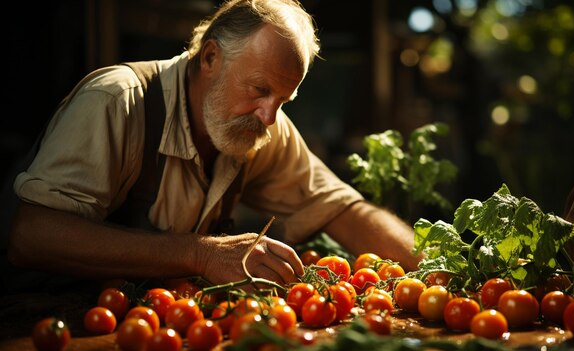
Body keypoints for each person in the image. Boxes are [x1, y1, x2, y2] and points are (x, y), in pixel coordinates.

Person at [2, 0, 422, 295]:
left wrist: (434, 270)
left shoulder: (258, 124)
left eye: (282, 100)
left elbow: (343, 210)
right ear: (209, 58)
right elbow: (33, 235)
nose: (270, 117)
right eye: (260, 89)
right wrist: (200, 255)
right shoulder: (116, 100)